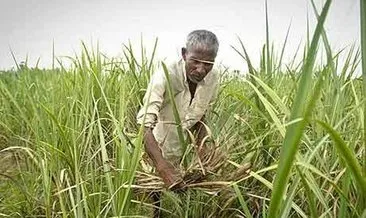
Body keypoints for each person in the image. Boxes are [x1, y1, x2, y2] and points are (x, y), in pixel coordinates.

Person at [136, 29, 220, 190]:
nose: (201, 70)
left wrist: (203, 150)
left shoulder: (213, 77)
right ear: (184, 54)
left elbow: (201, 114)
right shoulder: (165, 75)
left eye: (208, 64)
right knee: (155, 190)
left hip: (185, 150)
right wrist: (162, 167)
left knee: (187, 192)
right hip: (158, 144)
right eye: (195, 61)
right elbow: (144, 126)